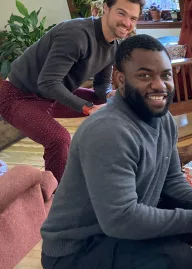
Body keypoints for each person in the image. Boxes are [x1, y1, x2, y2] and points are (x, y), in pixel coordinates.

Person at [40, 34, 192, 269]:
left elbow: (172, 182)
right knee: (178, 260)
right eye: (145, 75)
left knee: (190, 214)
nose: (159, 85)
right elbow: (120, 219)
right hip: (74, 255)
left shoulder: (163, 120)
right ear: (120, 79)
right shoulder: (108, 132)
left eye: (166, 75)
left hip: (109, 232)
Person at [0, 0, 144, 183]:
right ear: (106, 8)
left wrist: (108, 95)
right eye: (121, 13)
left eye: (133, 18)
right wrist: (88, 107)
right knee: (59, 139)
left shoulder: (114, 46)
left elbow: (101, 85)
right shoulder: (76, 34)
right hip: (18, 96)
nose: (127, 23)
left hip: (50, 96)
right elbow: (48, 83)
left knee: (117, 102)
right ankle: (56, 199)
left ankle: (109, 165)